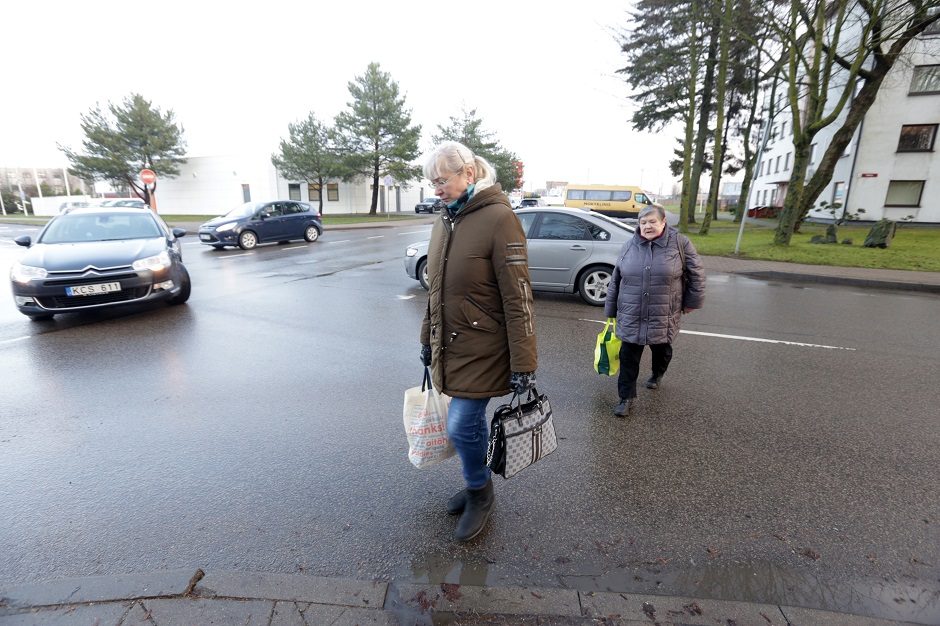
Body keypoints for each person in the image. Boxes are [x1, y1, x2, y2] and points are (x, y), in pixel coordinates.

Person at [419, 141, 538, 542]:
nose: (436, 189)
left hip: (486, 347)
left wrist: (524, 362)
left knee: (460, 425)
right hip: (449, 345)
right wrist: (425, 339)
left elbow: (518, 295)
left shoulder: (499, 218)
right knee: (466, 425)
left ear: (468, 174)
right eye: (431, 182)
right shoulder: (445, 219)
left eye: (442, 180)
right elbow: (435, 290)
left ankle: (480, 492)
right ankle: (476, 482)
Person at [604, 205, 705, 417]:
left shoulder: (680, 243)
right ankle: (626, 398)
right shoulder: (629, 245)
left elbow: (696, 274)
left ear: (663, 221)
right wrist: (610, 308)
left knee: (662, 350)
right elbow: (616, 278)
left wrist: (691, 302)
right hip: (631, 312)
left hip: (663, 312)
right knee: (628, 356)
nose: (647, 226)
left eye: (652, 221)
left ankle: (657, 373)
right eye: (643, 222)